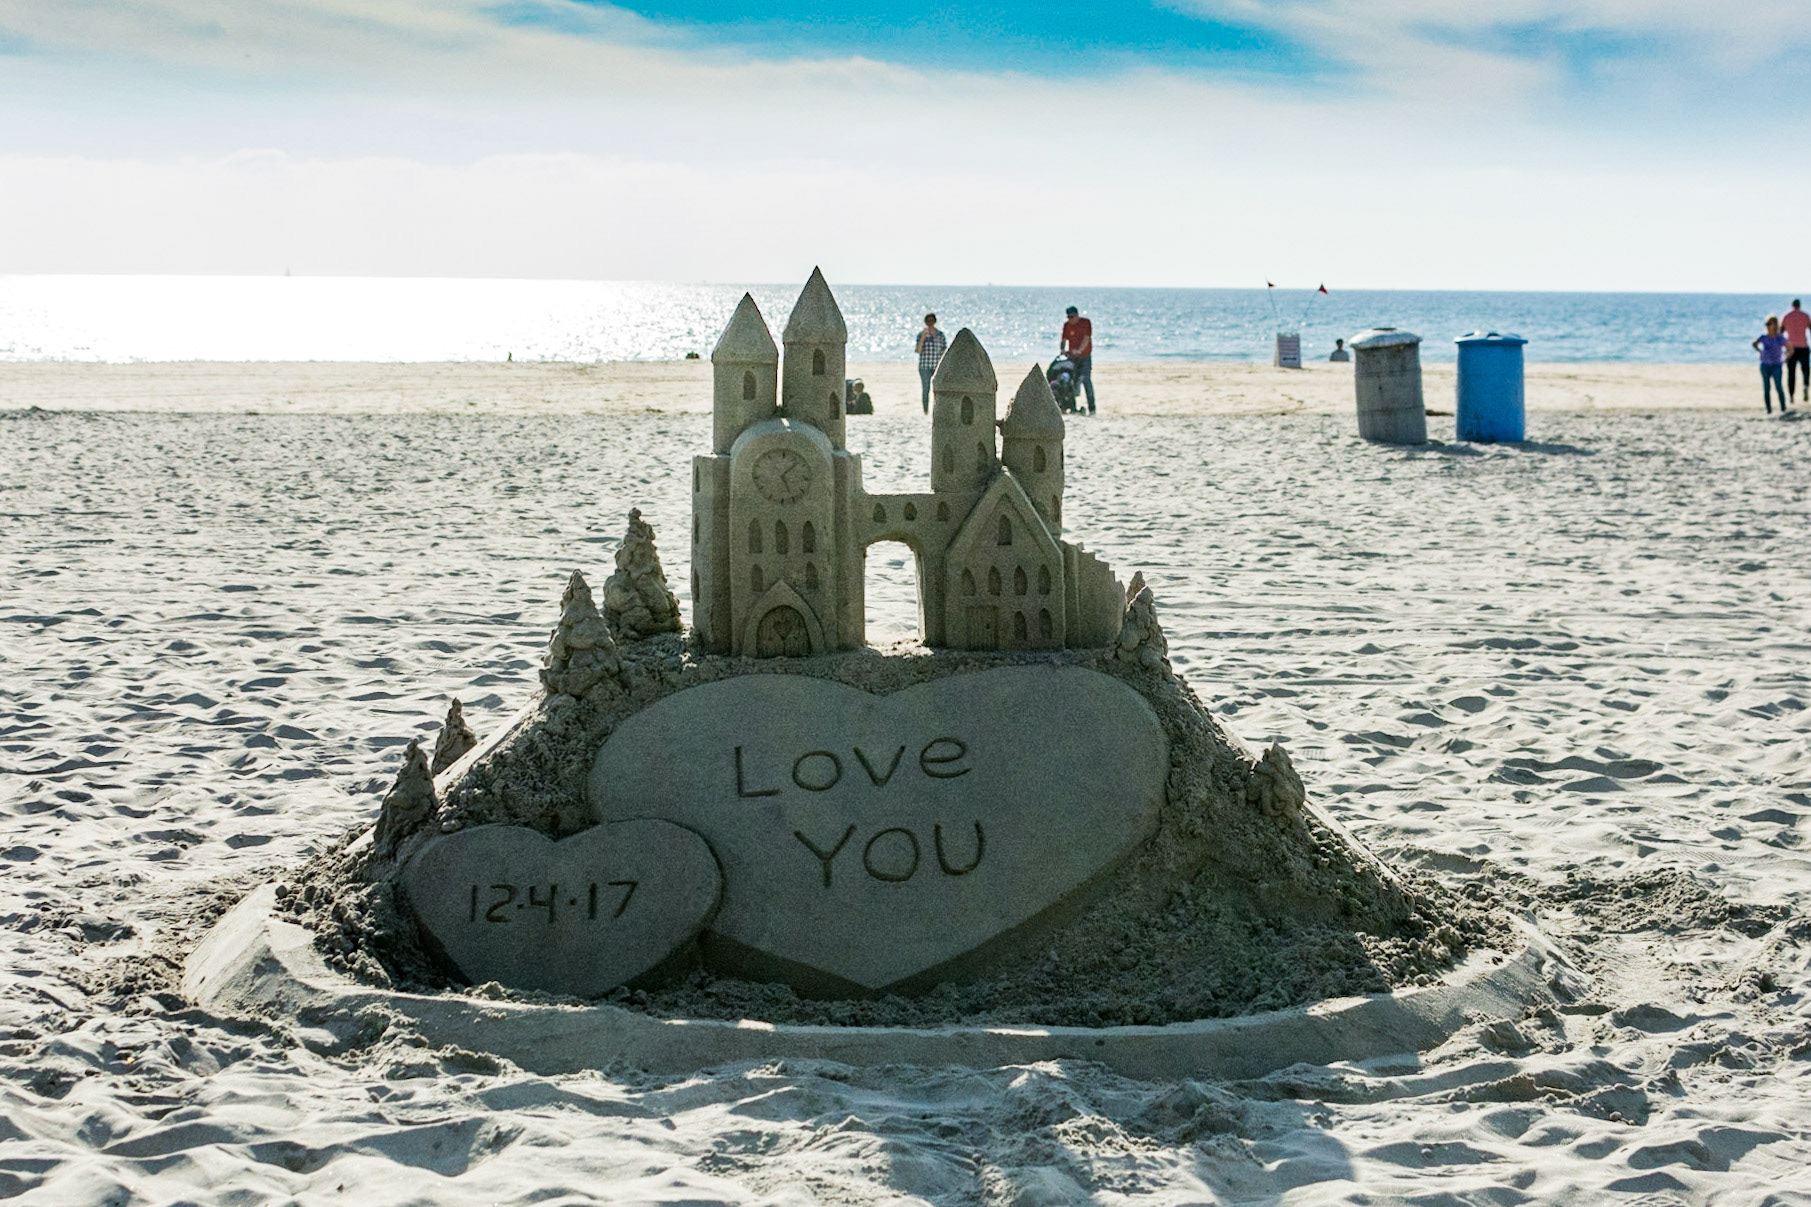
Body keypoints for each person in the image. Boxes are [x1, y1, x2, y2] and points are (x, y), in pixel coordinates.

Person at [1061, 305, 1095, 414]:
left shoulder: (1085, 323)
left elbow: (1086, 338)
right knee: (1071, 382)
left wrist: (1080, 350)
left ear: (1077, 315)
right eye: (1069, 317)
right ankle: (1073, 408)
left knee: (1085, 380)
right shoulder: (1067, 325)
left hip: (1084, 357)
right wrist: (1062, 350)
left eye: (1072, 317)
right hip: (1072, 357)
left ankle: (1092, 408)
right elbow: (1064, 339)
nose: (1071, 320)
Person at [1754, 315, 1790, 414]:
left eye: (1770, 323)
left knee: (1778, 386)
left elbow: (1790, 349)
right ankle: (1768, 409)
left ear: (1775, 324)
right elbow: (1754, 343)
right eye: (1767, 324)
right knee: (1766, 388)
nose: (1769, 326)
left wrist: (1785, 359)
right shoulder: (1763, 337)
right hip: (1764, 365)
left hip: (1776, 365)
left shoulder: (1780, 338)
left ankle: (1783, 408)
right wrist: (1759, 351)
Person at [914, 313, 947, 414]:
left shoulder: (940, 335)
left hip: (936, 366)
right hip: (925, 366)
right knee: (926, 389)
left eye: (931, 321)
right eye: (928, 321)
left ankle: (937, 409)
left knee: (939, 388)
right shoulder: (921, 335)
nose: (930, 323)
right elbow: (918, 350)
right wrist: (923, 338)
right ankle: (925, 411)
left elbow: (944, 350)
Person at [1782, 300, 1811, 403]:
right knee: (1806, 370)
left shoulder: (1787, 316)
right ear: (1799, 305)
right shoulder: (1805, 316)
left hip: (1791, 348)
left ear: (1792, 305)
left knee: (1791, 373)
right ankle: (1805, 385)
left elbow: (1781, 332)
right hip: (1803, 347)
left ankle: (1791, 396)